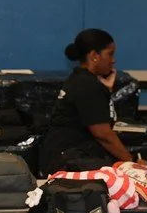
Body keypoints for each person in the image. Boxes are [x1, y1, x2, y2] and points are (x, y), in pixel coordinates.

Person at [39, 28, 141, 176]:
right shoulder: (87, 85)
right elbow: (103, 135)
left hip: (68, 155)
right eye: (110, 54)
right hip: (67, 160)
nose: (113, 60)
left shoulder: (84, 81)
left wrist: (107, 91)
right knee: (126, 176)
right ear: (94, 56)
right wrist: (131, 164)